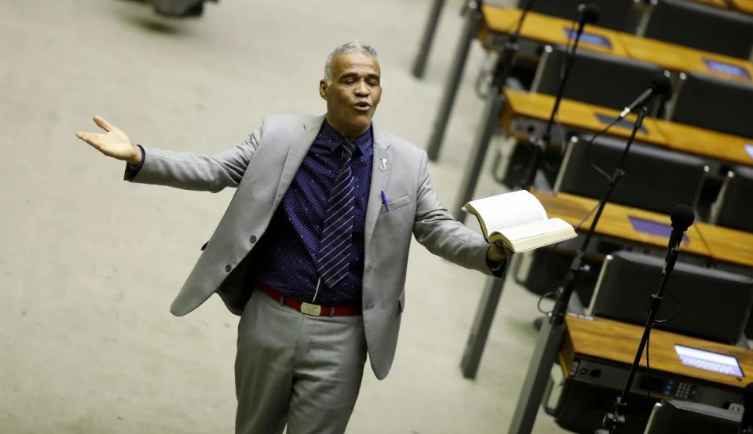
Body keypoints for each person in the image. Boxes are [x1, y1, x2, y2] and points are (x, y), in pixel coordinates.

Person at [75, 40, 511, 434]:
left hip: (344, 333)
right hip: (271, 318)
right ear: (324, 89)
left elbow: (435, 226)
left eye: (372, 82)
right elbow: (215, 169)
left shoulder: (408, 163)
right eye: (350, 80)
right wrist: (140, 155)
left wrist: (486, 252)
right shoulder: (279, 136)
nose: (363, 91)